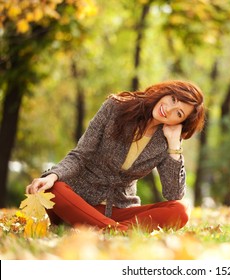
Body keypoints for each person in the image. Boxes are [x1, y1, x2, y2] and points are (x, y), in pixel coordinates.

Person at [25, 80, 205, 232]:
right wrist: (53, 175)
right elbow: (80, 155)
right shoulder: (116, 107)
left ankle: (102, 230)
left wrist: (174, 146)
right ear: (165, 92)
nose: (170, 109)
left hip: (120, 208)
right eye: (173, 99)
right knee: (53, 188)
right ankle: (116, 231)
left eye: (179, 113)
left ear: (180, 122)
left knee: (181, 210)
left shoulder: (165, 140)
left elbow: (173, 194)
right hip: (79, 202)